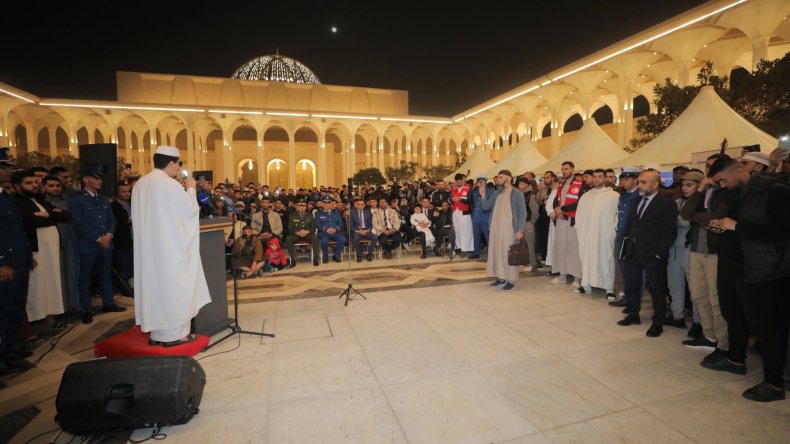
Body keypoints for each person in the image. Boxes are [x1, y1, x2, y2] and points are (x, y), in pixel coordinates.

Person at [708, 157, 790, 402]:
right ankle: (735, 359)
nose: (722, 185)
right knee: (733, 315)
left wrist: (735, 227)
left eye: (723, 179)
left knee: (766, 327)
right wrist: (723, 226)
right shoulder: (737, 192)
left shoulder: (774, 191)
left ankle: (774, 383)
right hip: (733, 267)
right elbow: (738, 224)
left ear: (741, 169)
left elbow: (783, 232)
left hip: (761, 272)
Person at [132, 146, 210, 346]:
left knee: (155, 287)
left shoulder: (141, 183)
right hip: (170, 249)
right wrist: (191, 188)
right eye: (178, 163)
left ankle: (157, 334)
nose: (178, 168)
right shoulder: (169, 185)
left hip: (149, 250)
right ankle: (176, 335)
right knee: (174, 287)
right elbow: (190, 211)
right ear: (171, 163)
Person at [678, 154, 731, 351]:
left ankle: (723, 342)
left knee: (716, 299)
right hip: (696, 250)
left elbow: (716, 218)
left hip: (715, 252)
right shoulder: (704, 192)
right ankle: (709, 336)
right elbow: (685, 214)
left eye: (713, 166)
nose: (710, 170)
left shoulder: (727, 192)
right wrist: (699, 191)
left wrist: (698, 217)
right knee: (699, 295)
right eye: (707, 166)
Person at [617, 170, 678, 338]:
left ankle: (657, 323)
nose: (639, 185)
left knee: (657, 289)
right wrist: (626, 247)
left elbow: (670, 232)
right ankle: (633, 314)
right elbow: (631, 227)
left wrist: (659, 254)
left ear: (655, 184)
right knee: (632, 284)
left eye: (643, 182)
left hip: (653, 254)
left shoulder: (667, 204)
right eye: (639, 181)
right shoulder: (636, 201)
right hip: (633, 251)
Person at [69, 164, 125, 324]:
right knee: (85, 279)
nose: (99, 181)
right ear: (86, 179)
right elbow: (79, 224)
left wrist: (108, 235)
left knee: (105, 276)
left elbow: (111, 220)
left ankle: (108, 303)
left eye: (100, 178)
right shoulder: (76, 200)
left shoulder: (103, 199)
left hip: (106, 245)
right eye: (95, 178)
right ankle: (86, 310)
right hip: (88, 246)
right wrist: (98, 239)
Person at [13, 169, 70, 325]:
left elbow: (65, 216)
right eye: (29, 183)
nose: (34, 185)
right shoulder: (18, 201)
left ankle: (50, 315)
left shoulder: (40, 200)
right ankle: (36, 318)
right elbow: (31, 221)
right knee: (37, 284)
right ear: (18, 187)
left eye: (35, 182)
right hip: (35, 250)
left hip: (50, 251)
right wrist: (52, 216)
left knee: (50, 282)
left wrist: (49, 215)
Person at [0, 148, 36, 374]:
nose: (8, 171)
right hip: (5, 264)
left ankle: (10, 348)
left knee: (15, 308)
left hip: (18, 261)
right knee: (2, 311)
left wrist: (27, 254)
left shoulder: (5, 195)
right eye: (4, 167)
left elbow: (17, 230)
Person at [666, 171, 704, 329]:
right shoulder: (677, 202)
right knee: (674, 285)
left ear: (699, 186)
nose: (684, 188)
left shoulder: (703, 203)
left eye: (689, 185)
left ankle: (698, 322)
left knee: (695, 288)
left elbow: (684, 222)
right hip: (674, 248)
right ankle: (677, 316)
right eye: (683, 185)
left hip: (692, 249)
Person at [574, 169, 619, 297]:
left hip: (605, 235)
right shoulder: (586, 195)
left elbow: (617, 216)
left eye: (600, 177)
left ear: (605, 179)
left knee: (606, 259)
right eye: (595, 177)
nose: (597, 179)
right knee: (587, 258)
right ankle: (586, 285)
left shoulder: (614, 196)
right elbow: (579, 215)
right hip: (587, 235)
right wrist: (580, 229)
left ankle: (609, 289)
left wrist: (612, 231)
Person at [483, 170, 526, 291]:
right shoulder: (497, 193)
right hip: (496, 229)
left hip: (509, 229)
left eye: (501, 177)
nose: (498, 180)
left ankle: (511, 280)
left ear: (508, 178)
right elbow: (486, 207)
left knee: (508, 254)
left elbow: (523, 213)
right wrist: (482, 196)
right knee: (497, 252)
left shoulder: (516, 193)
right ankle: (501, 278)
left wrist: (520, 230)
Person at [42, 175, 79, 312]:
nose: (55, 188)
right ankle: (59, 307)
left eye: (57, 185)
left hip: (70, 239)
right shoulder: (42, 202)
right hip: (51, 243)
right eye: (51, 186)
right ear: (43, 187)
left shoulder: (69, 201)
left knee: (71, 271)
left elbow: (71, 217)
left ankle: (73, 304)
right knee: (56, 274)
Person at [610, 167, 642, 305]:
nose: (623, 181)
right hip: (621, 236)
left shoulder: (639, 196)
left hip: (632, 238)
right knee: (624, 268)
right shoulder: (623, 195)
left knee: (634, 272)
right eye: (622, 179)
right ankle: (627, 297)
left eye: (627, 179)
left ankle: (633, 300)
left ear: (636, 180)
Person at [550, 162, 585, 289]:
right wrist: (556, 209)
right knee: (561, 248)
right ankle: (562, 275)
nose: (564, 171)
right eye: (562, 169)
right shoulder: (561, 184)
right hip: (560, 219)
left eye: (566, 169)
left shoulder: (580, 184)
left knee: (574, 249)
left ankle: (577, 278)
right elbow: (556, 200)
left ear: (573, 169)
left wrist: (562, 209)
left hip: (572, 220)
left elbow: (580, 202)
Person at [111, 182, 133, 294]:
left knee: (131, 266)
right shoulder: (113, 207)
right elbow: (114, 225)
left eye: (128, 191)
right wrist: (129, 222)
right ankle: (124, 289)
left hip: (133, 240)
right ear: (117, 192)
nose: (127, 194)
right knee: (122, 265)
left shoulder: (132, 204)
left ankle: (132, 286)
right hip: (121, 240)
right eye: (123, 192)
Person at [284, 199, 320, 267]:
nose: (301, 207)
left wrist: (307, 231)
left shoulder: (310, 215)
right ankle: (293, 259)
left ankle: (315, 258)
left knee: (315, 237)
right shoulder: (292, 215)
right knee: (288, 239)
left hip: (308, 235)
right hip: (296, 235)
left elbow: (313, 227)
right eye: (300, 205)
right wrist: (297, 233)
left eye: (303, 205)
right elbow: (290, 228)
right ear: (297, 206)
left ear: (306, 207)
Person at [516, 177, 539, 271]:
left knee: (530, 244)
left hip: (528, 222)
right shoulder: (519, 195)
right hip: (520, 223)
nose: (520, 185)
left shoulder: (530, 195)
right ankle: (525, 262)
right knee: (522, 244)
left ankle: (533, 264)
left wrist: (531, 221)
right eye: (519, 183)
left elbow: (535, 211)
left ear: (527, 185)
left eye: (522, 183)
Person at [315, 196, 346, 263]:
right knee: (324, 241)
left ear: (331, 204)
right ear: (322, 204)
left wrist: (336, 229)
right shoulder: (318, 213)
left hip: (336, 232)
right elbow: (317, 224)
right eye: (324, 203)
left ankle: (336, 256)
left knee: (343, 240)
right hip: (323, 233)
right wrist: (326, 229)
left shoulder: (336, 213)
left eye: (328, 203)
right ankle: (325, 257)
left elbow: (340, 223)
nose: (326, 204)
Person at [535, 171, 556, 269]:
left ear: (553, 178)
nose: (546, 179)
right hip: (543, 217)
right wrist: (540, 191)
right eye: (545, 177)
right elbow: (538, 201)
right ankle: (544, 258)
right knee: (543, 238)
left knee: (552, 239)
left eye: (548, 177)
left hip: (553, 217)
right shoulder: (543, 190)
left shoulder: (557, 189)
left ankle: (553, 260)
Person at [469, 174, 493, 259]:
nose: (481, 184)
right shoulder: (474, 192)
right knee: (476, 236)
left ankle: (492, 253)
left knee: (488, 237)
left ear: (486, 182)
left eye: (482, 182)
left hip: (486, 218)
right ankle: (476, 252)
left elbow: (489, 204)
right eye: (479, 182)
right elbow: (473, 204)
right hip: (476, 218)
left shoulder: (491, 191)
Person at [450, 173, 474, 257]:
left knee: (466, 231)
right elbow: (450, 199)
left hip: (465, 212)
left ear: (463, 180)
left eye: (459, 182)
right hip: (455, 212)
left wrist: (460, 199)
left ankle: (467, 248)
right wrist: (452, 200)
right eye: (457, 182)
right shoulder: (454, 188)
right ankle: (459, 247)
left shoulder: (469, 188)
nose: (458, 184)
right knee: (457, 230)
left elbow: (470, 200)